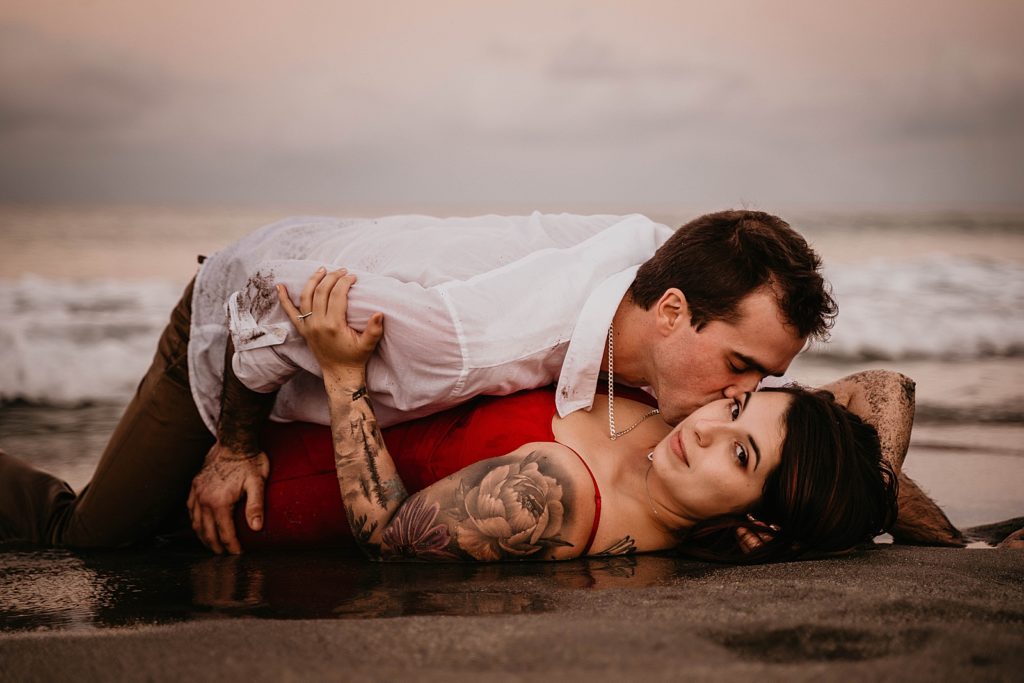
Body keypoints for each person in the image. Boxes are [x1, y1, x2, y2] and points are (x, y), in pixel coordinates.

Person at [0, 210, 960, 551]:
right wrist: (235, 443)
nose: (729, 402)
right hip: (235, 330)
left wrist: (948, 538)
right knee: (89, 539)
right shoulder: (467, 341)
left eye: (757, 385)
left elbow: (846, 415)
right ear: (672, 314)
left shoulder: (675, 300)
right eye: (741, 370)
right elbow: (264, 306)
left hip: (328, 395)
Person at [262, 267, 899, 562]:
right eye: (739, 404)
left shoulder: (556, 499)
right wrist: (888, 503)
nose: (708, 427)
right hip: (291, 417)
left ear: (758, 526)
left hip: (282, 487)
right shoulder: (679, 429)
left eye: (740, 454)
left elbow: (386, 535)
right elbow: (887, 387)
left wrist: (343, 377)